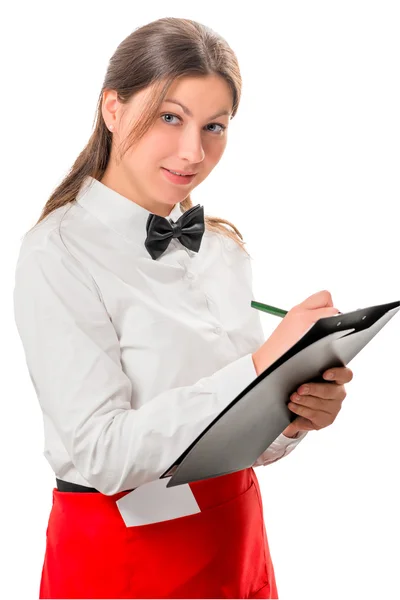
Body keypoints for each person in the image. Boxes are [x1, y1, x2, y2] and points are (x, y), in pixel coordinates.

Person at [13, 16, 353, 600]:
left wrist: (294, 414)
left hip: (236, 537)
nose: (194, 151)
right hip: (124, 557)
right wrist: (257, 368)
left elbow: (236, 433)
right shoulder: (57, 253)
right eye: (170, 117)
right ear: (113, 109)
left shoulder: (222, 249)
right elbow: (102, 455)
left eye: (214, 126)